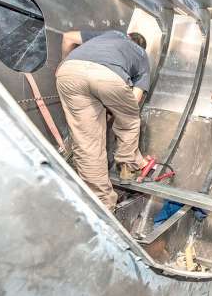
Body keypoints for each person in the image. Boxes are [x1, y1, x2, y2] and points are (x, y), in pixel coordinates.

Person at [56, 30, 150, 212]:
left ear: (127, 35)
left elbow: (68, 37)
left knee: (87, 143)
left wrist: (64, 64)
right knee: (129, 121)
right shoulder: (141, 55)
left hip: (69, 72)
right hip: (108, 77)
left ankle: (100, 203)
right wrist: (112, 109)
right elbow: (134, 101)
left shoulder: (110, 34)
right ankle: (127, 166)